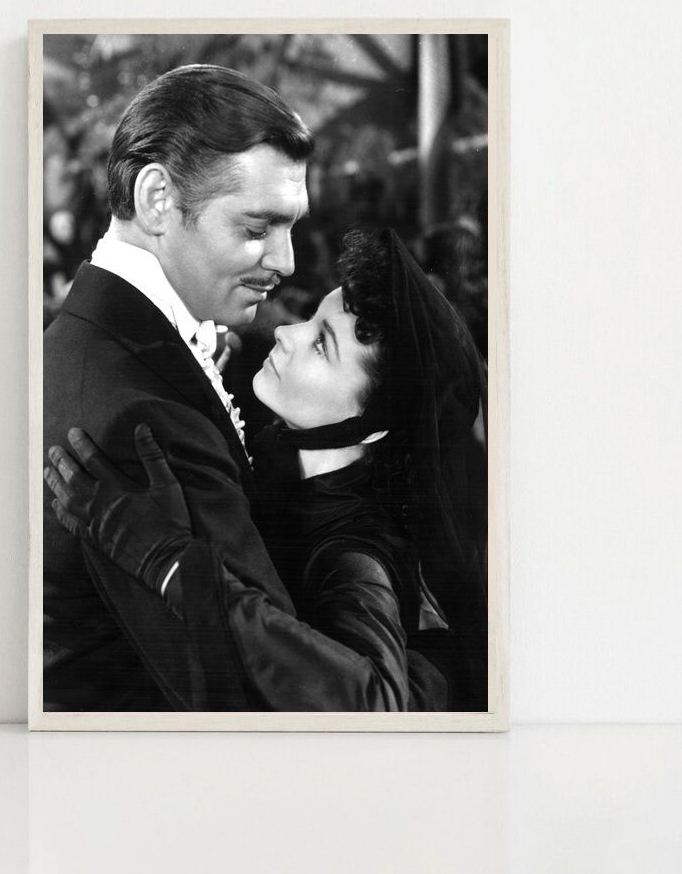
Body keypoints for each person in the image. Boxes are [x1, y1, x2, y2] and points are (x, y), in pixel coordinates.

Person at [47, 229, 488, 711]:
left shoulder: (353, 552)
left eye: (321, 345)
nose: (287, 333)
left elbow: (375, 702)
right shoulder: (287, 463)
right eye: (310, 319)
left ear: (372, 426)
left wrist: (167, 561)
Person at [42, 63, 314, 711]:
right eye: (256, 229)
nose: (287, 260)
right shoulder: (148, 416)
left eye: (292, 227)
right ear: (158, 199)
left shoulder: (85, 340)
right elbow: (272, 687)